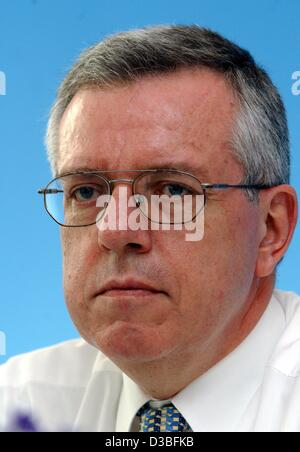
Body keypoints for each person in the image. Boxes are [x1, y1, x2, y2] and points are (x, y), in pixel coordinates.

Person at [0, 24, 299, 433]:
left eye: (173, 190)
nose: (117, 230)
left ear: (271, 229)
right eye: (86, 191)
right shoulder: (20, 404)